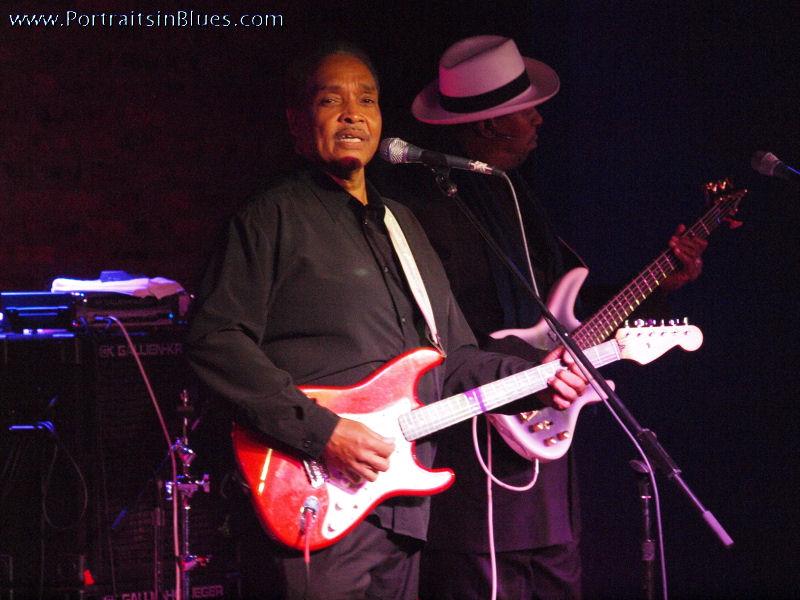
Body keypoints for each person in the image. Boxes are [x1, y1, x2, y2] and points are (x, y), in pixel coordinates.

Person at [185, 41, 588, 600]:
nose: (353, 114)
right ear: (297, 123)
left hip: (401, 508)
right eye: (331, 100)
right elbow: (214, 339)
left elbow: (453, 360)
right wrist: (323, 432)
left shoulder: (402, 225)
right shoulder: (270, 216)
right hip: (313, 497)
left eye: (367, 100)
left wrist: (537, 380)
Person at [376, 35, 707, 599]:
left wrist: (659, 287)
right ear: (489, 125)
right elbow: (428, 330)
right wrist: (527, 368)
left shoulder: (516, 194)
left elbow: (562, 313)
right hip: (478, 450)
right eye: (525, 110)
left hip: (546, 451)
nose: (539, 120)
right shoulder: (421, 207)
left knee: (559, 576)